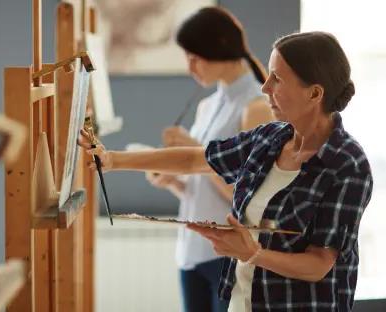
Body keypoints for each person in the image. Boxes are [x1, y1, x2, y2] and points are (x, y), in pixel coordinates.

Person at [80, 31, 372, 311]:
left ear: (314, 93)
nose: (265, 86)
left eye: (277, 78)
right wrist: (113, 160)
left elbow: (319, 263)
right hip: (242, 302)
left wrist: (253, 254)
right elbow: (196, 160)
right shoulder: (270, 138)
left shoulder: (348, 165)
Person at [144, 7, 273, 312]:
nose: (190, 67)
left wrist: (198, 151)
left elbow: (247, 197)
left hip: (227, 256)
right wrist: (174, 181)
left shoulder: (256, 107)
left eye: (194, 56)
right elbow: (201, 190)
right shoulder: (207, 106)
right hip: (191, 253)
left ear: (219, 48)